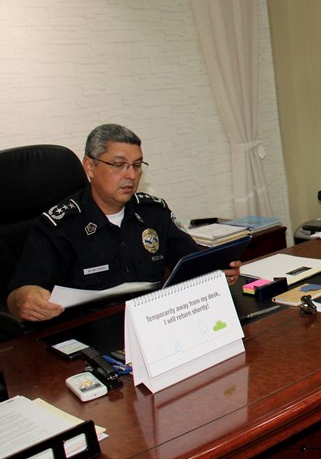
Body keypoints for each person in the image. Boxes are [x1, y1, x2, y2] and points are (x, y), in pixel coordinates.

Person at [6, 123, 241, 322]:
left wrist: (216, 270)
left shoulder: (154, 213)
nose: (131, 175)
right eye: (119, 165)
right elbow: (19, 296)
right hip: (87, 332)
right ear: (90, 166)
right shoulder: (58, 226)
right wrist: (25, 301)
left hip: (153, 322)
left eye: (137, 165)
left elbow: (190, 262)